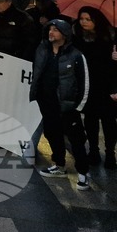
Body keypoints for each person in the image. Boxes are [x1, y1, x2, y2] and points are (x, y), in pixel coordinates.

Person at [30, 19, 92, 190]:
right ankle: (59, 165)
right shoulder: (42, 50)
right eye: (50, 29)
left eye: (56, 30)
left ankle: (83, 173)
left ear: (64, 34)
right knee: (52, 134)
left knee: (76, 140)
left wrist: (78, 107)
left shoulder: (76, 56)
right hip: (47, 103)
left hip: (67, 107)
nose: (51, 32)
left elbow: (84, 82)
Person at [73, 6, 117, 168]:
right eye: (81, 19)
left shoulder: (110, 38)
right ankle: (93, 150)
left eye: (88, 19)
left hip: (107, 86)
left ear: (95, 20)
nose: (84, 22)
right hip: (87, 86)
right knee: (90, 120)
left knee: (109, 122)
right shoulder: (78, 38)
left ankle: (110, 153)